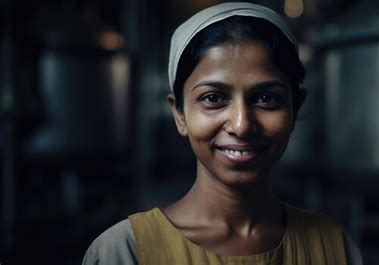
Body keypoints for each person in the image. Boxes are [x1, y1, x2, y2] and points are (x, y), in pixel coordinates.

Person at [82, 2, 363, 265]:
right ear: (179, 114)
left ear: (294, 107)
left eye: (265, 98)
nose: (241, 125)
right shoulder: (124, 251)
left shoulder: (334, 248)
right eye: (214, 98)